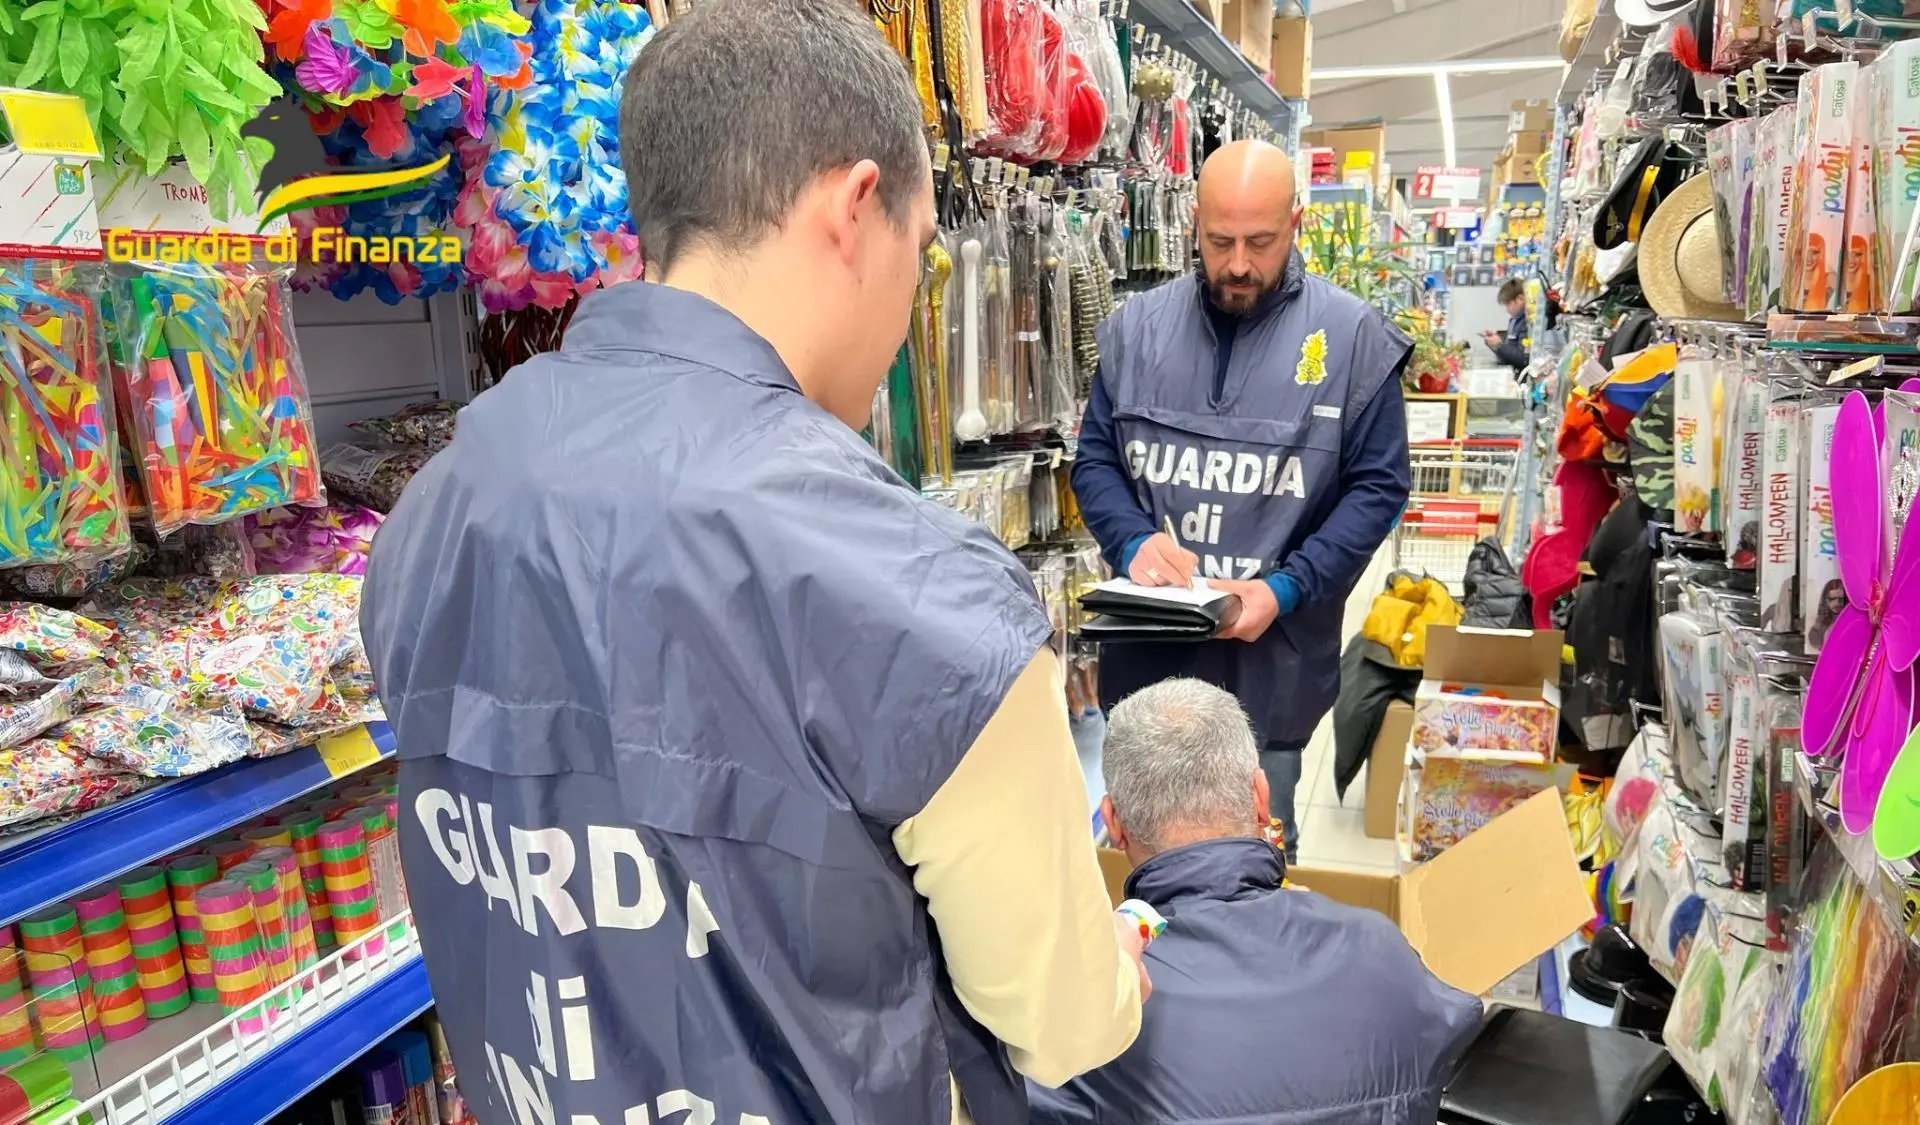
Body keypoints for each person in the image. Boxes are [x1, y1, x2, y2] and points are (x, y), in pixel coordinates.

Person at [361, 4, 1145, 1124]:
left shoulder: (436, 511)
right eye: (920, 260)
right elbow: (1070, 1023)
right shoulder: (922, 597)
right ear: (854, 207)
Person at [1069, 140, 1412, 863]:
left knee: (1252, 862)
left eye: (1261, 241)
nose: (1238, 265)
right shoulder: (1137, 332)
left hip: (1271, 671)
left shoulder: (1351, 342)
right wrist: (1132, 542)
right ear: (1192, 221)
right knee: (1139, 868)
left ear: (1296, 222)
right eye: (1219, 240)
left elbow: (1378, 488)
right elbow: (1095, 459)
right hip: (1146, 667)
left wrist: (1286, 588)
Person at [1029, 678, 1484, 1125]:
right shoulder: (1377, 947)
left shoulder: (1090, 1007)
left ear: (1114, 823)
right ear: (1262, 798)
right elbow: (1459, 1035)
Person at [1482, 278, 1530, 374]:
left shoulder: (1526, 323)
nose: (1507, 309)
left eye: (1508, 304)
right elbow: (1511, 343)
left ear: (1520, 299)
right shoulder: (1514, 320)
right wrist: (1496, 340)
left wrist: (1499, 346)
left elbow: (1522, 358)